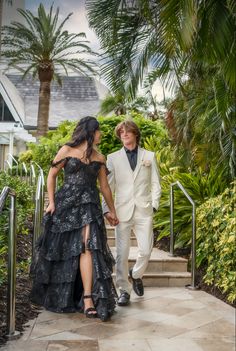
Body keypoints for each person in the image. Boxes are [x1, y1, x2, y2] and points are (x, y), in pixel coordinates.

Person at [30, 116, 119, 322]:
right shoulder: (66, 150)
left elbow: (104, 187)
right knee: (66, 250)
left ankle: (88, 298)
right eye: (98, 131)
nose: (101, 135)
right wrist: (51, 202)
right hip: (66, 204)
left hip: (89, 205)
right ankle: (67, 295)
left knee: (86, 245)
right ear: (90, 132)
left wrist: (112, 211)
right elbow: (51, 175)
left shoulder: (99, 157)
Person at [103, 120, 161, 306]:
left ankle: (135, 274)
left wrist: (154, 205)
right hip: (121, 211)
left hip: (144, 210)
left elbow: (155, 183)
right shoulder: (112, 158)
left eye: (127, 132)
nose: (124, 135)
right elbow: (107, 187)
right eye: (121, 132)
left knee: (146, 250)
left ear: (135, 134)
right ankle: (124, 291)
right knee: (122, 252)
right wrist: (107, 209)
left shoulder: (149, 156)